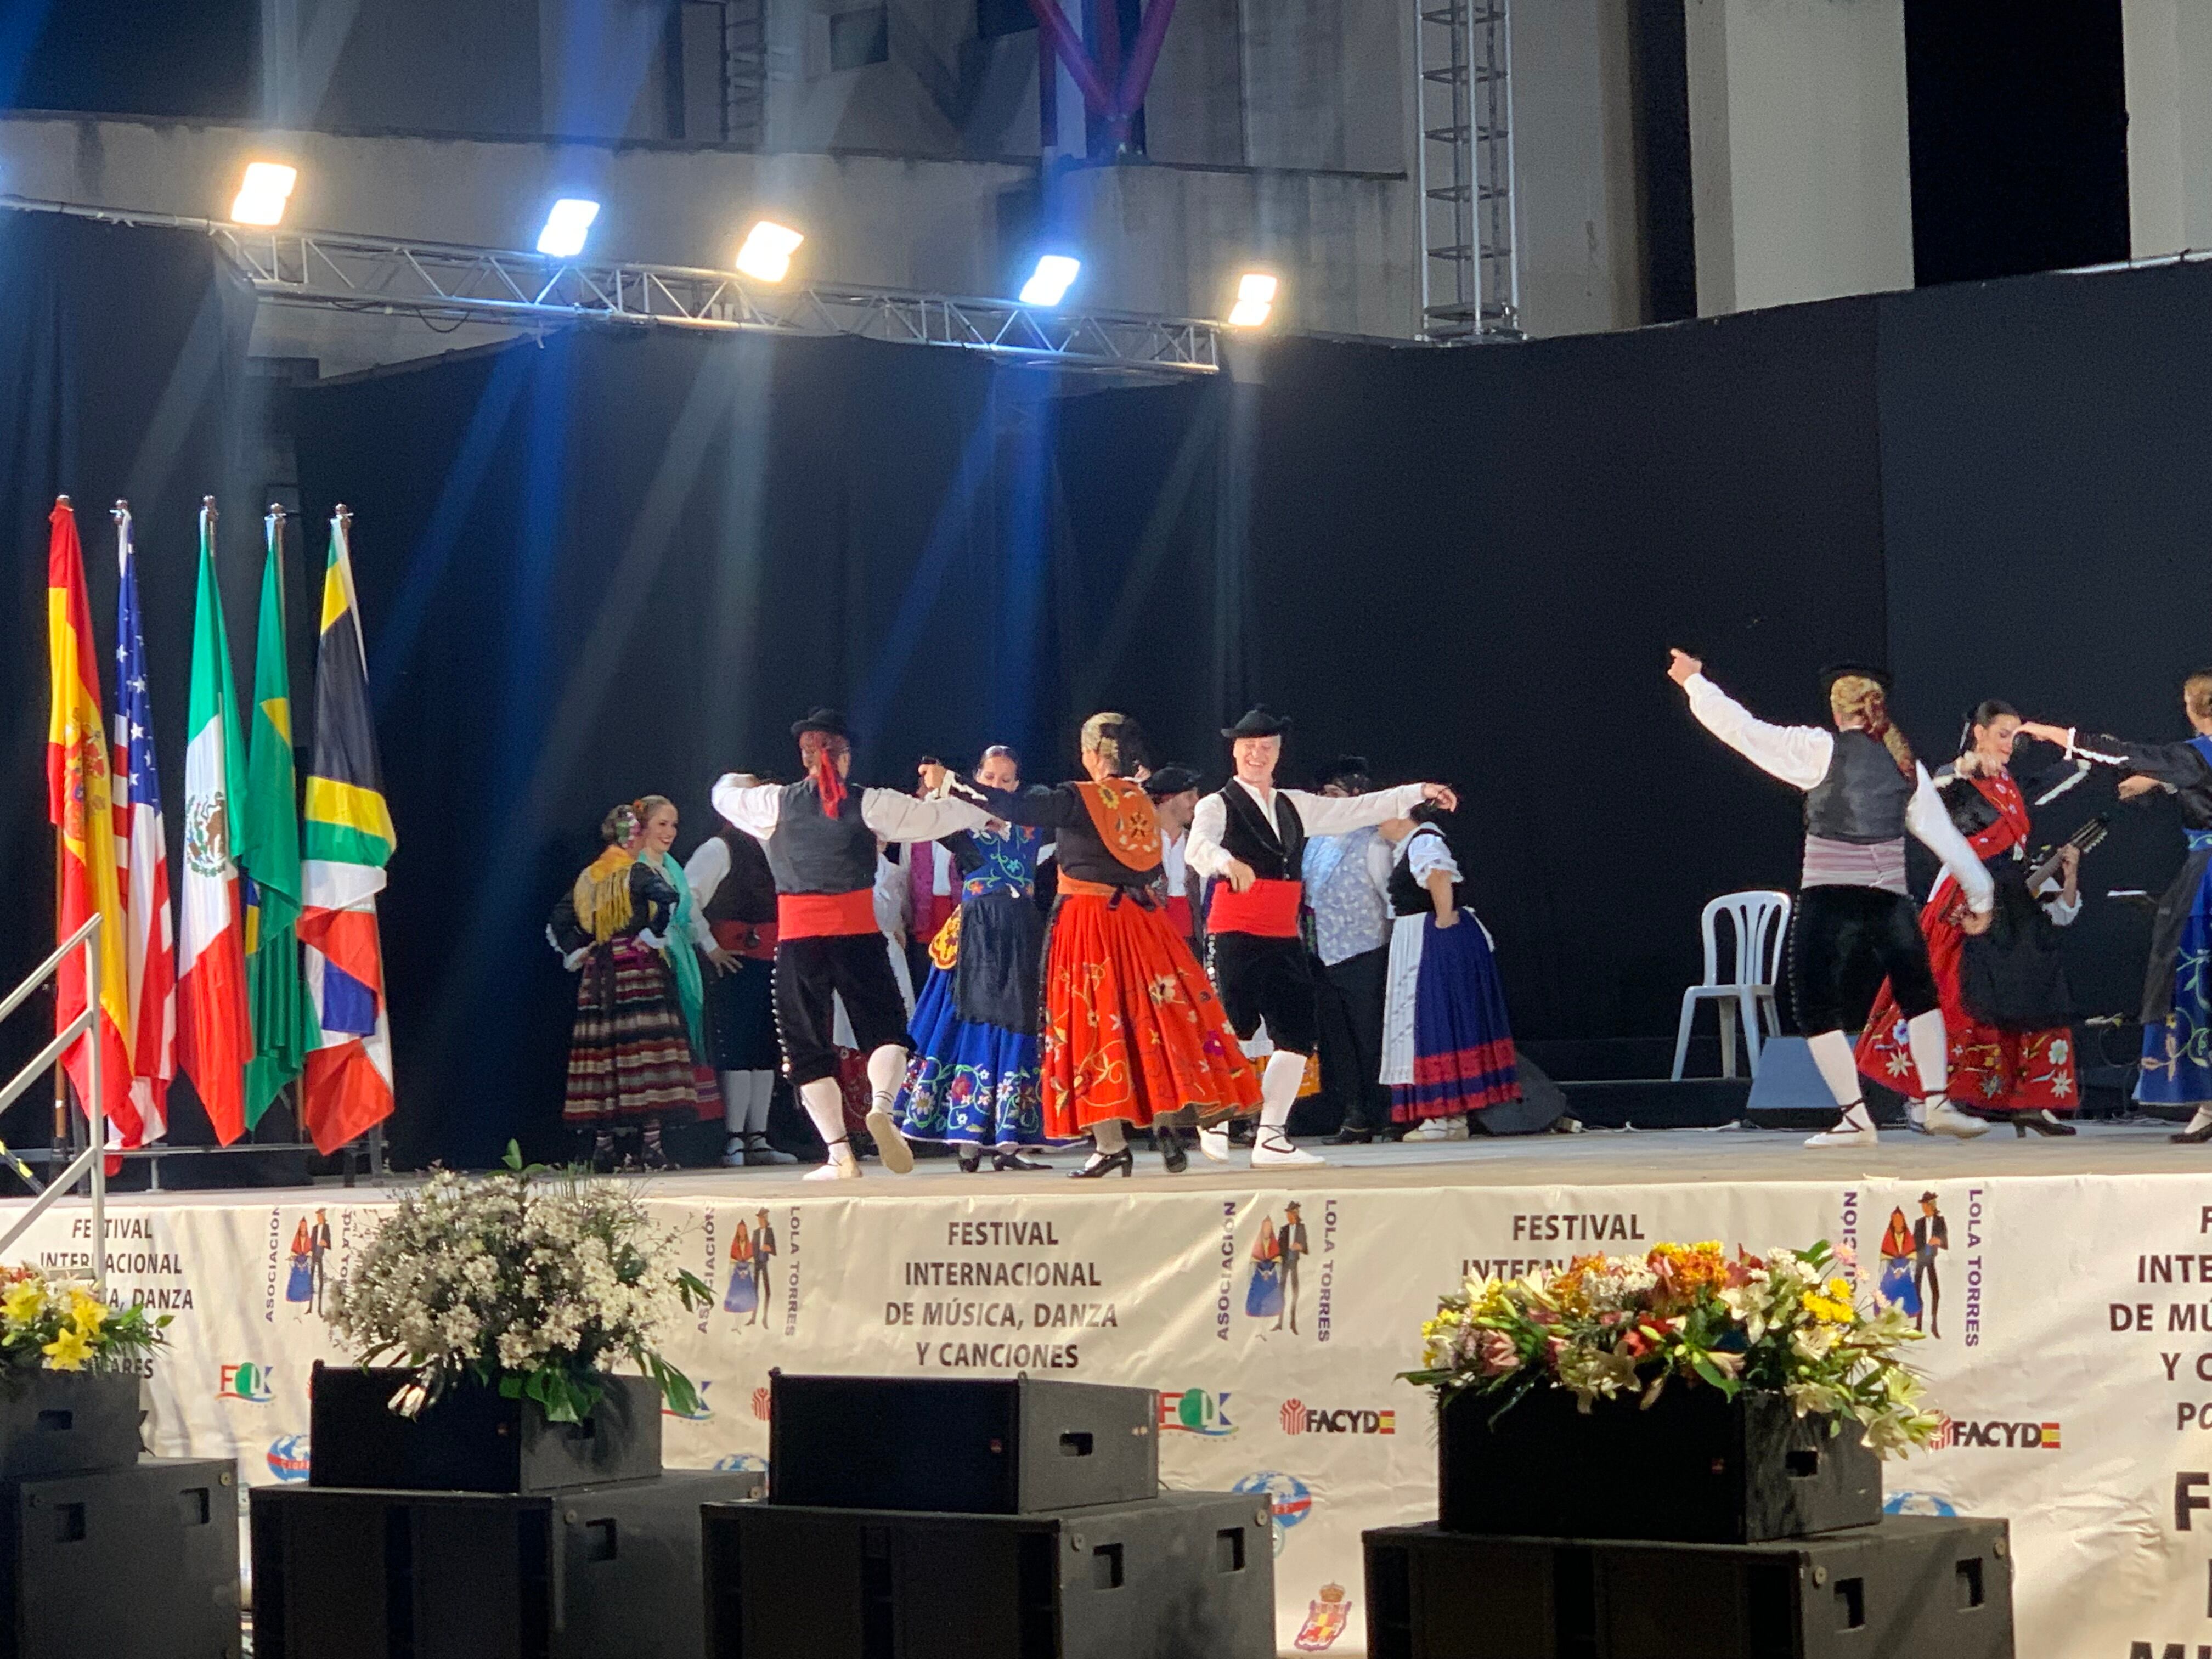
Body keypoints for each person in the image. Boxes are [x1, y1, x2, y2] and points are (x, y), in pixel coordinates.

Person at [1668, 653, 1995, 1147]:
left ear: (1837, 710)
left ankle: (1857, 1120)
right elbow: (1945, 836)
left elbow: (1742, 730)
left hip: (1829, 897)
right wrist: (1982, 897)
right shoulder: (1907, 764)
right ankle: (1935, 1102)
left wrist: (1695, 683)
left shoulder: (1815, 748)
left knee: (1817, 1006)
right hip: (1888, 899)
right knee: (1917, 993)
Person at [946, 713, 1261, 1177]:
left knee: (1092, 1029)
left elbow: (1013, 807)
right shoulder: (1141, 799)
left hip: (1090, 924)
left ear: (1091, 755)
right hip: (1142, 923)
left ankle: (1111, 1143)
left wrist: (950, 784)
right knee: (1153, 1022)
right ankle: (1165, 1122)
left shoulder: (1077, 799)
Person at [710, 710, 989, 1181]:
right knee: (887, 1031)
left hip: (799, 941)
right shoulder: (872, 804)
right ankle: (882, 1107)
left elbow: (723, 795)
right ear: (845, 757)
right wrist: (985, 807)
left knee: (805, 1049)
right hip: (858, 934)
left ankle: (839, 1154)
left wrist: (738, 779)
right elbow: (936, 816)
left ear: (804, 757)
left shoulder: (772, 804)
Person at [1186, 708, 1458, 1168]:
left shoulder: (1294, 804)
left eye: (1267, 747)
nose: (1257, 754)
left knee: (1296, 1034)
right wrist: (1225, 863)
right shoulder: (1217, 804)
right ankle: (1214, 1116)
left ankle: (1271, 1135)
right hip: (1235, 927)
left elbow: (1357, 809)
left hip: (1282, 931)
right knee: (1233, 1026)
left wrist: (1419, 792)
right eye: (1249, 746)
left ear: (1278, 754)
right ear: (1235, 751)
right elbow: (1198, 847)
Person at [1855, 702, 2084, 1133]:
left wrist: (2055, 738)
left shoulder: (2011, 783)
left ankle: (2029, 1100)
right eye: (2002, 734)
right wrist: (1961, 768)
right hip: (1966, 891)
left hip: (2011, 896)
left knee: (2032, 989)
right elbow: (1932, 797)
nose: (2009, 745)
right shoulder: (1959, 775)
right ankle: (1927, 1098)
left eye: (2016, 737)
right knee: (1952, 991)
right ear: (1979, 733)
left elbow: (2073, 770)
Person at [2020, 678, 2212, 1139]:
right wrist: (2165, 783)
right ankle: (2208, 1107)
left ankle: (2207, 1102)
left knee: (2197, 984)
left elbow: (2123, 754)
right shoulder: (2193, 761)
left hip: (2208, 875)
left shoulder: (2195, 754)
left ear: (2190, 708)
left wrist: (2059, 736)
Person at [894, 745, 1052, 1172]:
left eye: (1006, 780)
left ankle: (1008, 1140)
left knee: (1018, 1025)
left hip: (1021, 931)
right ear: (976, 778)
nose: (997, 786)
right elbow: (927, 812)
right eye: (990, 778)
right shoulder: (958, 821)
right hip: (978, 929)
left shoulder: (1034, 820)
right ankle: (966, 1138)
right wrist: (940, 785)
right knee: (968, 1019)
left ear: (1017, 785)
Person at [550, 802, 717, 1171]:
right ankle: (651, 1146)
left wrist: (581, 951)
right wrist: (650, 934)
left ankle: (604, 1147)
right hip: (638, 972)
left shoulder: (589, 877)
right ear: (633, 836)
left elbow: (560, 918)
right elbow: (667, 899)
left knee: (604, 1057)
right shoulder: (635, 872)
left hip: (600, 974)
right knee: (647, 1056)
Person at [1377, 805, 1520, 1137]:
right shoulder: (1412, 844)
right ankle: (1451, 1117)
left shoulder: (1424, 840)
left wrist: (1443, 917)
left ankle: (1442, 1115)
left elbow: (1438, 874)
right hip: (1422, 936)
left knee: (1432, 1019)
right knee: (1433, 1019)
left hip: (1431, 938)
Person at [686, 774, 794, 1167]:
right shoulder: (721, 848)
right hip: (737, 960)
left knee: (765, 1050)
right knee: (738, 1048)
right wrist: (710, 947)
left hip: (773, 960)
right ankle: (734, 1138)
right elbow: (688, 896)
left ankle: (758, 1138)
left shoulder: (775, 846)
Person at [1303, 755, 1398, 1143]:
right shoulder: (1316, 841)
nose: (1326, 801)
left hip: (1365, 949)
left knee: (1372, 1035)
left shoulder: (1375, 840)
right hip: (1323, 951)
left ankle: (1388, 1111)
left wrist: (1392, 952)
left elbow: (1389, 898)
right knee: (1338, 1040)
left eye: (1333, 794)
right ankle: (1355, 1112)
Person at [1146, 765, 1207, 955]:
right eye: (1189, 796)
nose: (1197, 802)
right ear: (1167, 800)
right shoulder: (1141, 844)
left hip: (1190, 944)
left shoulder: (1198, 844)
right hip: (1151, 941)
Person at [1876, 1206, 1922, 1319]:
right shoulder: (1888, 1238)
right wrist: (1894, 1271)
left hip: (1905, 1271)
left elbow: (1912, 1259)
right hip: (1891, 1271)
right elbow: (1885, 1260)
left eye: (1900, 1221)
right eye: (1896, 1221)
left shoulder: (1909, 1237)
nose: (1898, 1223)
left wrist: (1903, 1270)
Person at [1911, 1192, 1947, 1336]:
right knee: (1917, 1291)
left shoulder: (1940, 1221)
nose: (1924, 1208)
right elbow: (1914, 1242)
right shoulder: (1919, 1223)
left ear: (1931, 1206)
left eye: (1925, 1205)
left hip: (1931, 1258)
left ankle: (1934, 1323)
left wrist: (1937, 1241)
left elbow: (1945, 1241)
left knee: (1935, 1292)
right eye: (1923, 1205)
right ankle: (1919, 1324)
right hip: (1920, 1258)